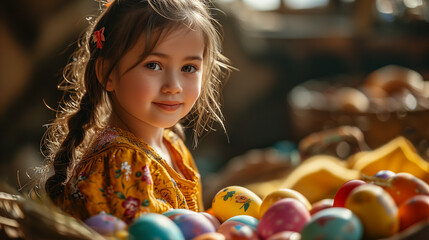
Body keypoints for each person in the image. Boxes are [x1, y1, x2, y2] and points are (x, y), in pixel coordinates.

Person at [38, 0, 232, 224]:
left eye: (189, 68)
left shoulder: (172, 144)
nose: (174, 85)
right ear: (106, 74)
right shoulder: (121, 162)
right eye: (153, 65)